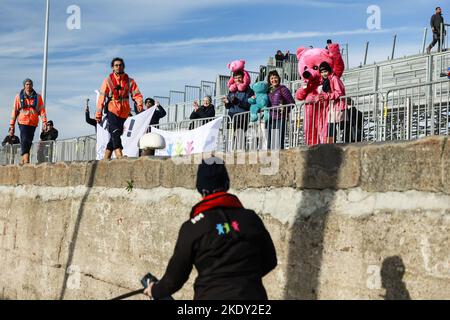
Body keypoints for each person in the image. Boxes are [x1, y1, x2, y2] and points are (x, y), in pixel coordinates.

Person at [143, 158, 277, 300]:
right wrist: (244, 279)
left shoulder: (193, 227)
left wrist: (155, 290)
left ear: (201, 189)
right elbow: (270, 260)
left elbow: (174, 279)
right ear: (226, 184)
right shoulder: (250, 219)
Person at [96, 57, 144, 159]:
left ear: (123, 67)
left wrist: (139, 104)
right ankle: (119, 155)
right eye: (116, 65)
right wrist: (98, 114)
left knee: (116, 134)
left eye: (120, 65)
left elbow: (137, 94)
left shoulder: (130, 81)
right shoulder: (107, 81)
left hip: (124, 111)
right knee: (115, 132)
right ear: (112, 67)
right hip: (112, 109)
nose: (118, 67)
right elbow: (101, 98)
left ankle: (105, 158)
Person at [9, 78, 48, 164]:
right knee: (25, 139)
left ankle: (23, 159)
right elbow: (14, 111)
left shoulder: (38, 97)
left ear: (32, 85)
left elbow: (42, 111)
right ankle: (26, 159)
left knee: (29, 140)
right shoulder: (18, 97)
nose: (28, 86)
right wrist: (12, 126)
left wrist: (45, 122)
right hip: (22, 121)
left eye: (30, 84)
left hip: (33, 122)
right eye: (27, 84)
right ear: (24, 86)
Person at [223, 70, 255, 150]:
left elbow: (248, 104)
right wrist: (227, 102)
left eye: (239, 77)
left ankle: (241, 153)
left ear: (243, 78)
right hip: (231, 116)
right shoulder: (232, 90)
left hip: (242, 116)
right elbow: (228, 106)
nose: (237, 79)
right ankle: (231, 153)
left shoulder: (249, 90)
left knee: (240, 137)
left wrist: (237, 101)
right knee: (231, 137)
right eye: (235, 78)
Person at [317, 61, 347, 144]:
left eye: (325, 71)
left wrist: (327, 97)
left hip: (338, 106)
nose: (324, 74)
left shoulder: (334, 78)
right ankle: (331, 146)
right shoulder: (325, 82)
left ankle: (337, 146)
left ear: (329, 71)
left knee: (337, 127)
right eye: (322, 72)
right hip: (332, 107)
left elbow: (339, 92)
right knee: (330, 128)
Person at [267, 70, 295, 150]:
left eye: (275, 78)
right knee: (270, 142)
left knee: (279, 141)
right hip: (270, 118)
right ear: (269, 80)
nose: (273, 80)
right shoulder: (268, 91)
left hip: (280, 118)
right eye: (271, 78)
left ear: (278, 78)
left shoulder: (283, 89)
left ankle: (280, 159)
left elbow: (292, 102)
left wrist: (285, 108)